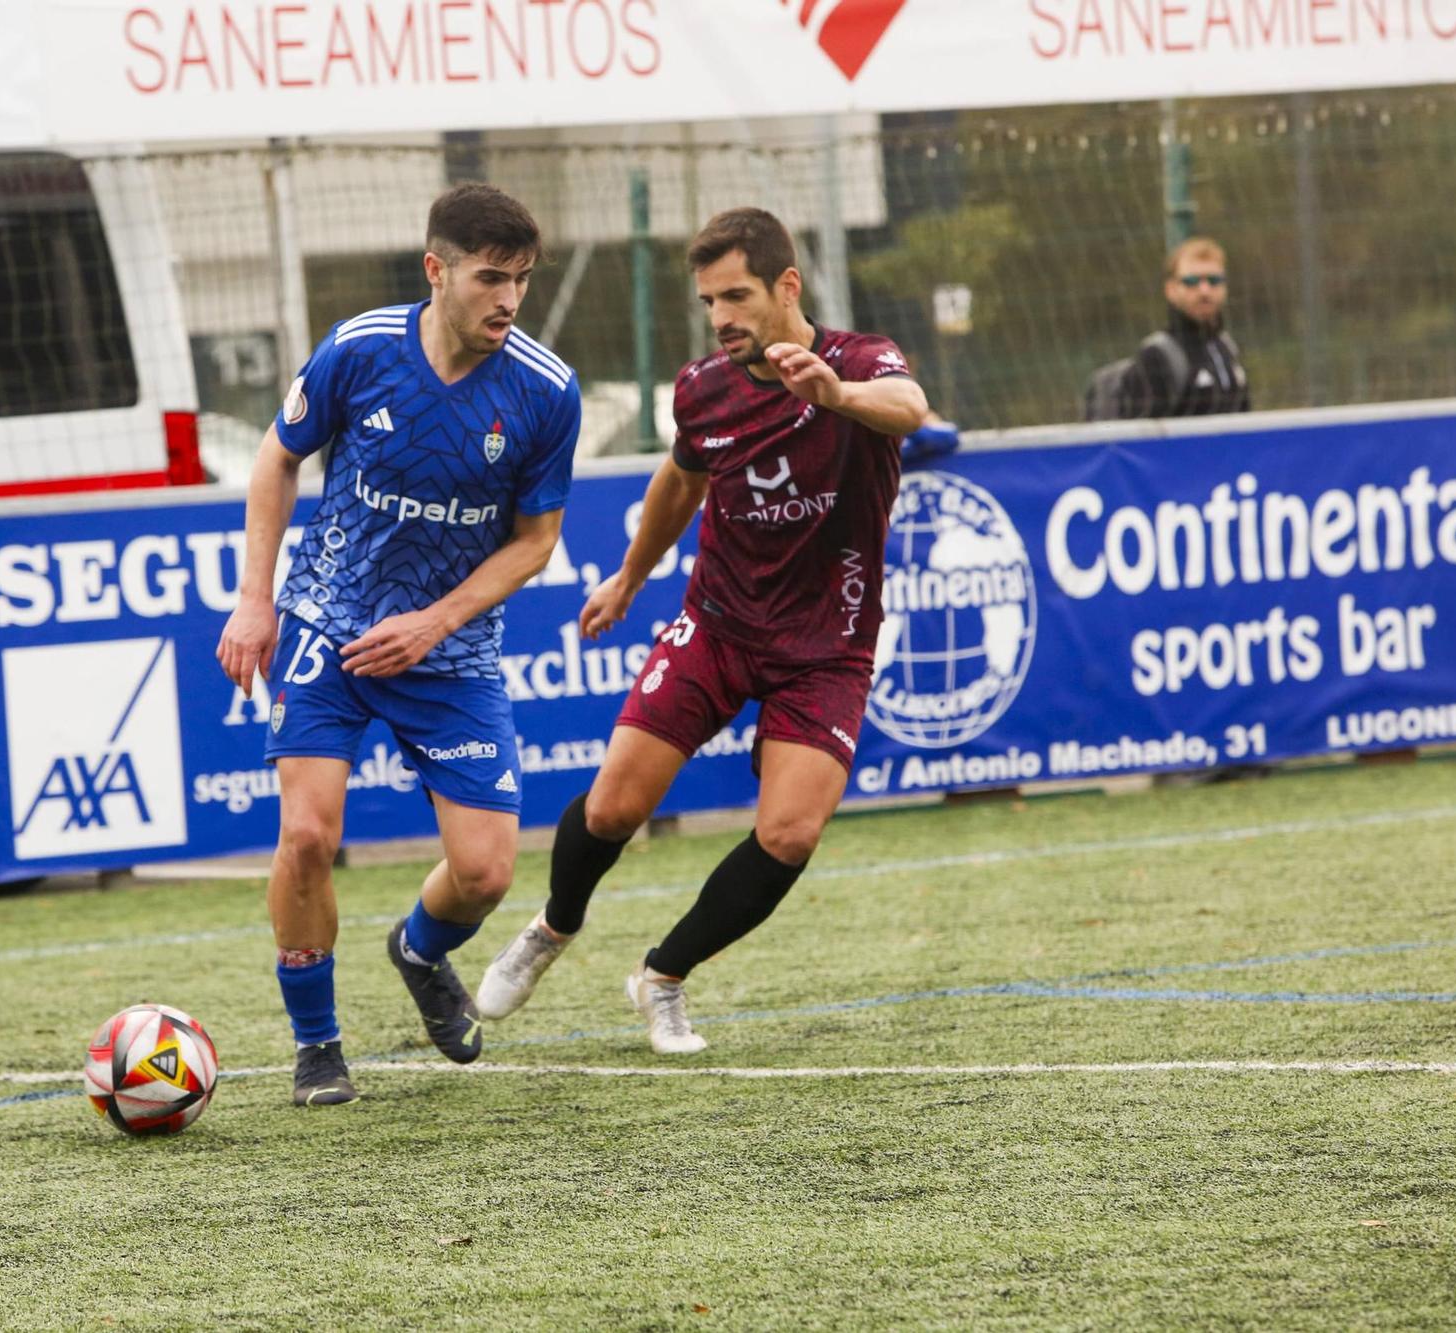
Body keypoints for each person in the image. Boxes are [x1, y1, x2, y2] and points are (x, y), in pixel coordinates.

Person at [475, 207, 928, 1054]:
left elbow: (908, 406)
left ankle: (663, 976)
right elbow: (679, 486)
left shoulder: (860, 362)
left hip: (827, 645)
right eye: (709, 301)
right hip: (718, 624)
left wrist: (838, 397)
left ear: (786, 287)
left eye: (737, 296)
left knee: (790, 832)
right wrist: (629, 577)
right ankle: (550, 928)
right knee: (613, 806)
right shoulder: (703, 388)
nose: (722, 318)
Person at [216, 184, 581, 1105]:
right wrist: (256, 600)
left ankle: (419, 949)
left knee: (487, 871)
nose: (507, 299)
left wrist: (435, 621)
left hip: (447, 654)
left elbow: (535, 542)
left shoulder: (544, 391)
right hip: (329, 628)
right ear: (437, 270)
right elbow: (276, 458)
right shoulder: (360, 349)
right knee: (306, 834)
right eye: (489, 278)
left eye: (522, 282)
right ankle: (316, 1044)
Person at [1119, 237, 1251, 418]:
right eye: (1191, 281)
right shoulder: (1156, 356)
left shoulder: (1226, 347)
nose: (1204, 290)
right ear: (1170, 289)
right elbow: (1141, 439)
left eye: (1214, 280)